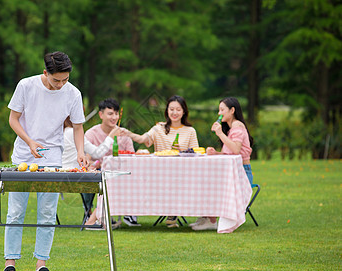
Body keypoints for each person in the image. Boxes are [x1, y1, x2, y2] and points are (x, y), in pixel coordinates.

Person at [2, 51, 87, 271]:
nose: (61, 85)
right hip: (23, 156)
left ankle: (42, 265)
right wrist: (29, 141)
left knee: (48, 213)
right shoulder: (26, 85)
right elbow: (13, 118)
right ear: (45, 73)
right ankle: (10, 265)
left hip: (52, 158)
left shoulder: (73, 93)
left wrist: (80, 152)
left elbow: (78, 127)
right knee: (16, 211)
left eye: (65, 80)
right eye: (56, 80)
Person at [122, 95, 199, 228]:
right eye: (171, 109)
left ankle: (172, 211)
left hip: (182, 173)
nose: (174, 113)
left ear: (184, 111)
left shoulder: (190, 131)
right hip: (159, 173)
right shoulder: (159, 128)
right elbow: (142, 139)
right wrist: (127, 133)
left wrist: (182, 151)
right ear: (167, 111)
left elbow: (196, 154)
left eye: (178, 110)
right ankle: (134, 211)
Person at [190, 97, 254, 231]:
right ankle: (208, 218)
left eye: (222, 110)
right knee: (205, 181)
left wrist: (219, 133)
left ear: (232, 110)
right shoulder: (231, 128)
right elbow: (232, 154)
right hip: (233, 172)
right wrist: (216, 153)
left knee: (209, 185)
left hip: (242, 173)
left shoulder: (237, 126)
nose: (219, 113)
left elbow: (236, 150)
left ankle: (211, 219)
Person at [84, 98, 140, 227]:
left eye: (116, 113)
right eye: (110, 114)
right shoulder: (91, 133)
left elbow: (131, 157)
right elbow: (88, 159)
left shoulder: (124, 133)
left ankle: (104, 216)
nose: (114, 117)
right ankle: (97, 215)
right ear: (101, 114)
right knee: (103, 179)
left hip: (121, 174)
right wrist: (95, 163)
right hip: (99, 173)